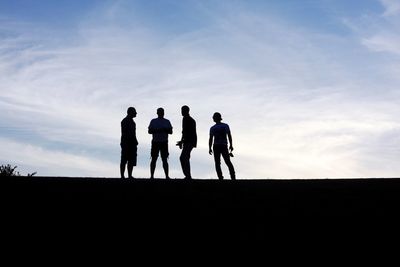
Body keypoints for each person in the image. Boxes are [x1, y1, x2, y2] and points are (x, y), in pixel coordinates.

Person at [209, 112, 236, 180]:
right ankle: (227, 177)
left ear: (217, 118)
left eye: (214, 117)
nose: (213, 118)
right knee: (222, 162)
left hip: (220, 146)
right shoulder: (224, 126)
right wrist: (209, 147)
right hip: (219, 146)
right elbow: (211, 138)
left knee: (223, 162)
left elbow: (229, 135)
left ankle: (227, 177)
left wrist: (231, 145)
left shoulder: (215, 127)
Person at [148, 107, 173, 179]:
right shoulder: (153, 121)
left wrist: (165, 130)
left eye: (162, 112)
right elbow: (149, 131)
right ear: (157, 113)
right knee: (154, 159)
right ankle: (152, 176)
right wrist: (157, 130)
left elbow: (171, 132)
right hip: (155, 142)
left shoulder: (167, 121)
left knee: (164, 159)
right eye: (160, 112)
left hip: (164, 142)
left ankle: (167, 176)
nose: (161, 113)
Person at [177, 105, 197, 179]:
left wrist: (182, 141)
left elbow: (186, 132)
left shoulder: (188, 119)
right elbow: (184, 132)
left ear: (187, 111)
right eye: (181, 110)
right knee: (185, 157)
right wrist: (182, 141)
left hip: (190, 141)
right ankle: (188, 175)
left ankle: (188, 175)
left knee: (183, 157)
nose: (181, 112)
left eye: (183, 110)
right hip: (189, 141)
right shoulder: (186, 119)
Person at [120, 107, 138, 179]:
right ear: (130, 112)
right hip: (126, 142)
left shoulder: (132, 122)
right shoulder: (125, 121)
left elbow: (133, 133)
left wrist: (135, 141)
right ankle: (122, 176)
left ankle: (129, 175)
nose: (136, 113)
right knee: (124, 159)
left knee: (131, 160)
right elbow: (125, 133)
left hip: (131, 142)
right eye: (134, 112)